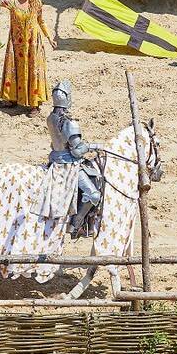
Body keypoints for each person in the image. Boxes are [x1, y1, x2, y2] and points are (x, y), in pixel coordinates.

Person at [46, 81, 104, 238]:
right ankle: (75, 226)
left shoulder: (51, 117)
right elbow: (78, 151)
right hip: (68, 165)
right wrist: (94, 145)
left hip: (54, 159)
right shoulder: (69, 122)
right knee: (94, 194)